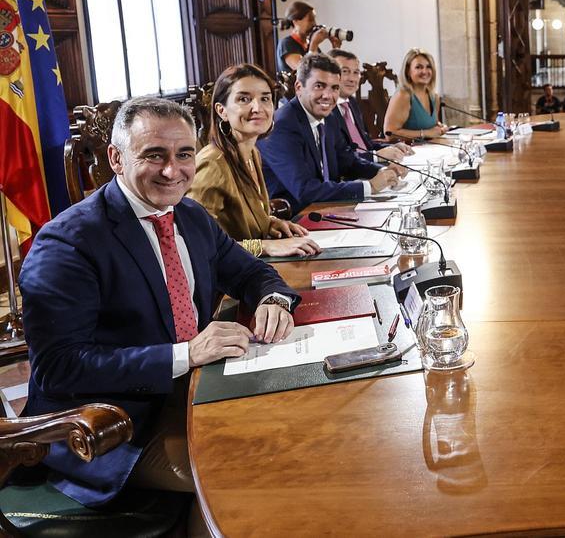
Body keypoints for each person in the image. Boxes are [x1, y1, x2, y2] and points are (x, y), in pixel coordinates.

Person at [19, 96, 298, 509]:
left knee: (295, 429)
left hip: (192, 393)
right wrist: (185, 354)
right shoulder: (67, 242)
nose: (173, 170)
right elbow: (59, 368)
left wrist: (273, 299)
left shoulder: (189, 215)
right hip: (111, 429)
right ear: (116, 158)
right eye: (154, 155)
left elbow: (249, 272)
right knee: (254, 469)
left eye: (184, 154)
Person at [188, 64, 321, 258]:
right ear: (221, 111)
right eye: (244, 99)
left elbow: (239, 221)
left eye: (265, 99)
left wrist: (269, 222)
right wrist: (264, 246)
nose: (257, 108)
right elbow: (198, 243)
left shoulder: (252, 153)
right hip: (226, 284)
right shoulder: (212, 163)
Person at [259, 53, 398, 210]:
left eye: (334, 88)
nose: (328, 96)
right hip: (296, 219)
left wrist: (384, 171)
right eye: (319, 86)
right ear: (299, 87)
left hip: (329, 208)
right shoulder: (282, 126)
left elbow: (347, 162)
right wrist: (369, 187)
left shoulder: (329, 116)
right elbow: (305, 190)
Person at [328, 49, 414, 164]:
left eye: (356, 72)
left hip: (368, 166)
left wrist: (392, 146)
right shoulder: (325, 110)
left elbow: (364, 144)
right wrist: (376, 156)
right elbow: (338, 157)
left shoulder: (351, 103)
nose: (352, 78)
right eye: (345, 71)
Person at [383, 48, 450, 140]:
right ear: (408, 71)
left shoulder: (434, 97)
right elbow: (390, 133)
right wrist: (425, 133)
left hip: (431, 149)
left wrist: (441, 128)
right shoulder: (403, 96)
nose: (424, 71)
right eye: (418, 67)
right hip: (408, 151)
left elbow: (430, 126)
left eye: (428, 67)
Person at [276, 0, 341, 72]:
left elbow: (327, 70)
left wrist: (336, 48)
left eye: (314, 20)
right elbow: (303, 70)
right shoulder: (286, 44)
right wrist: (314, 44)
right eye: (310, 20)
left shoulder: (310, 44)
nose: (314, 24)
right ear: (295, 21)